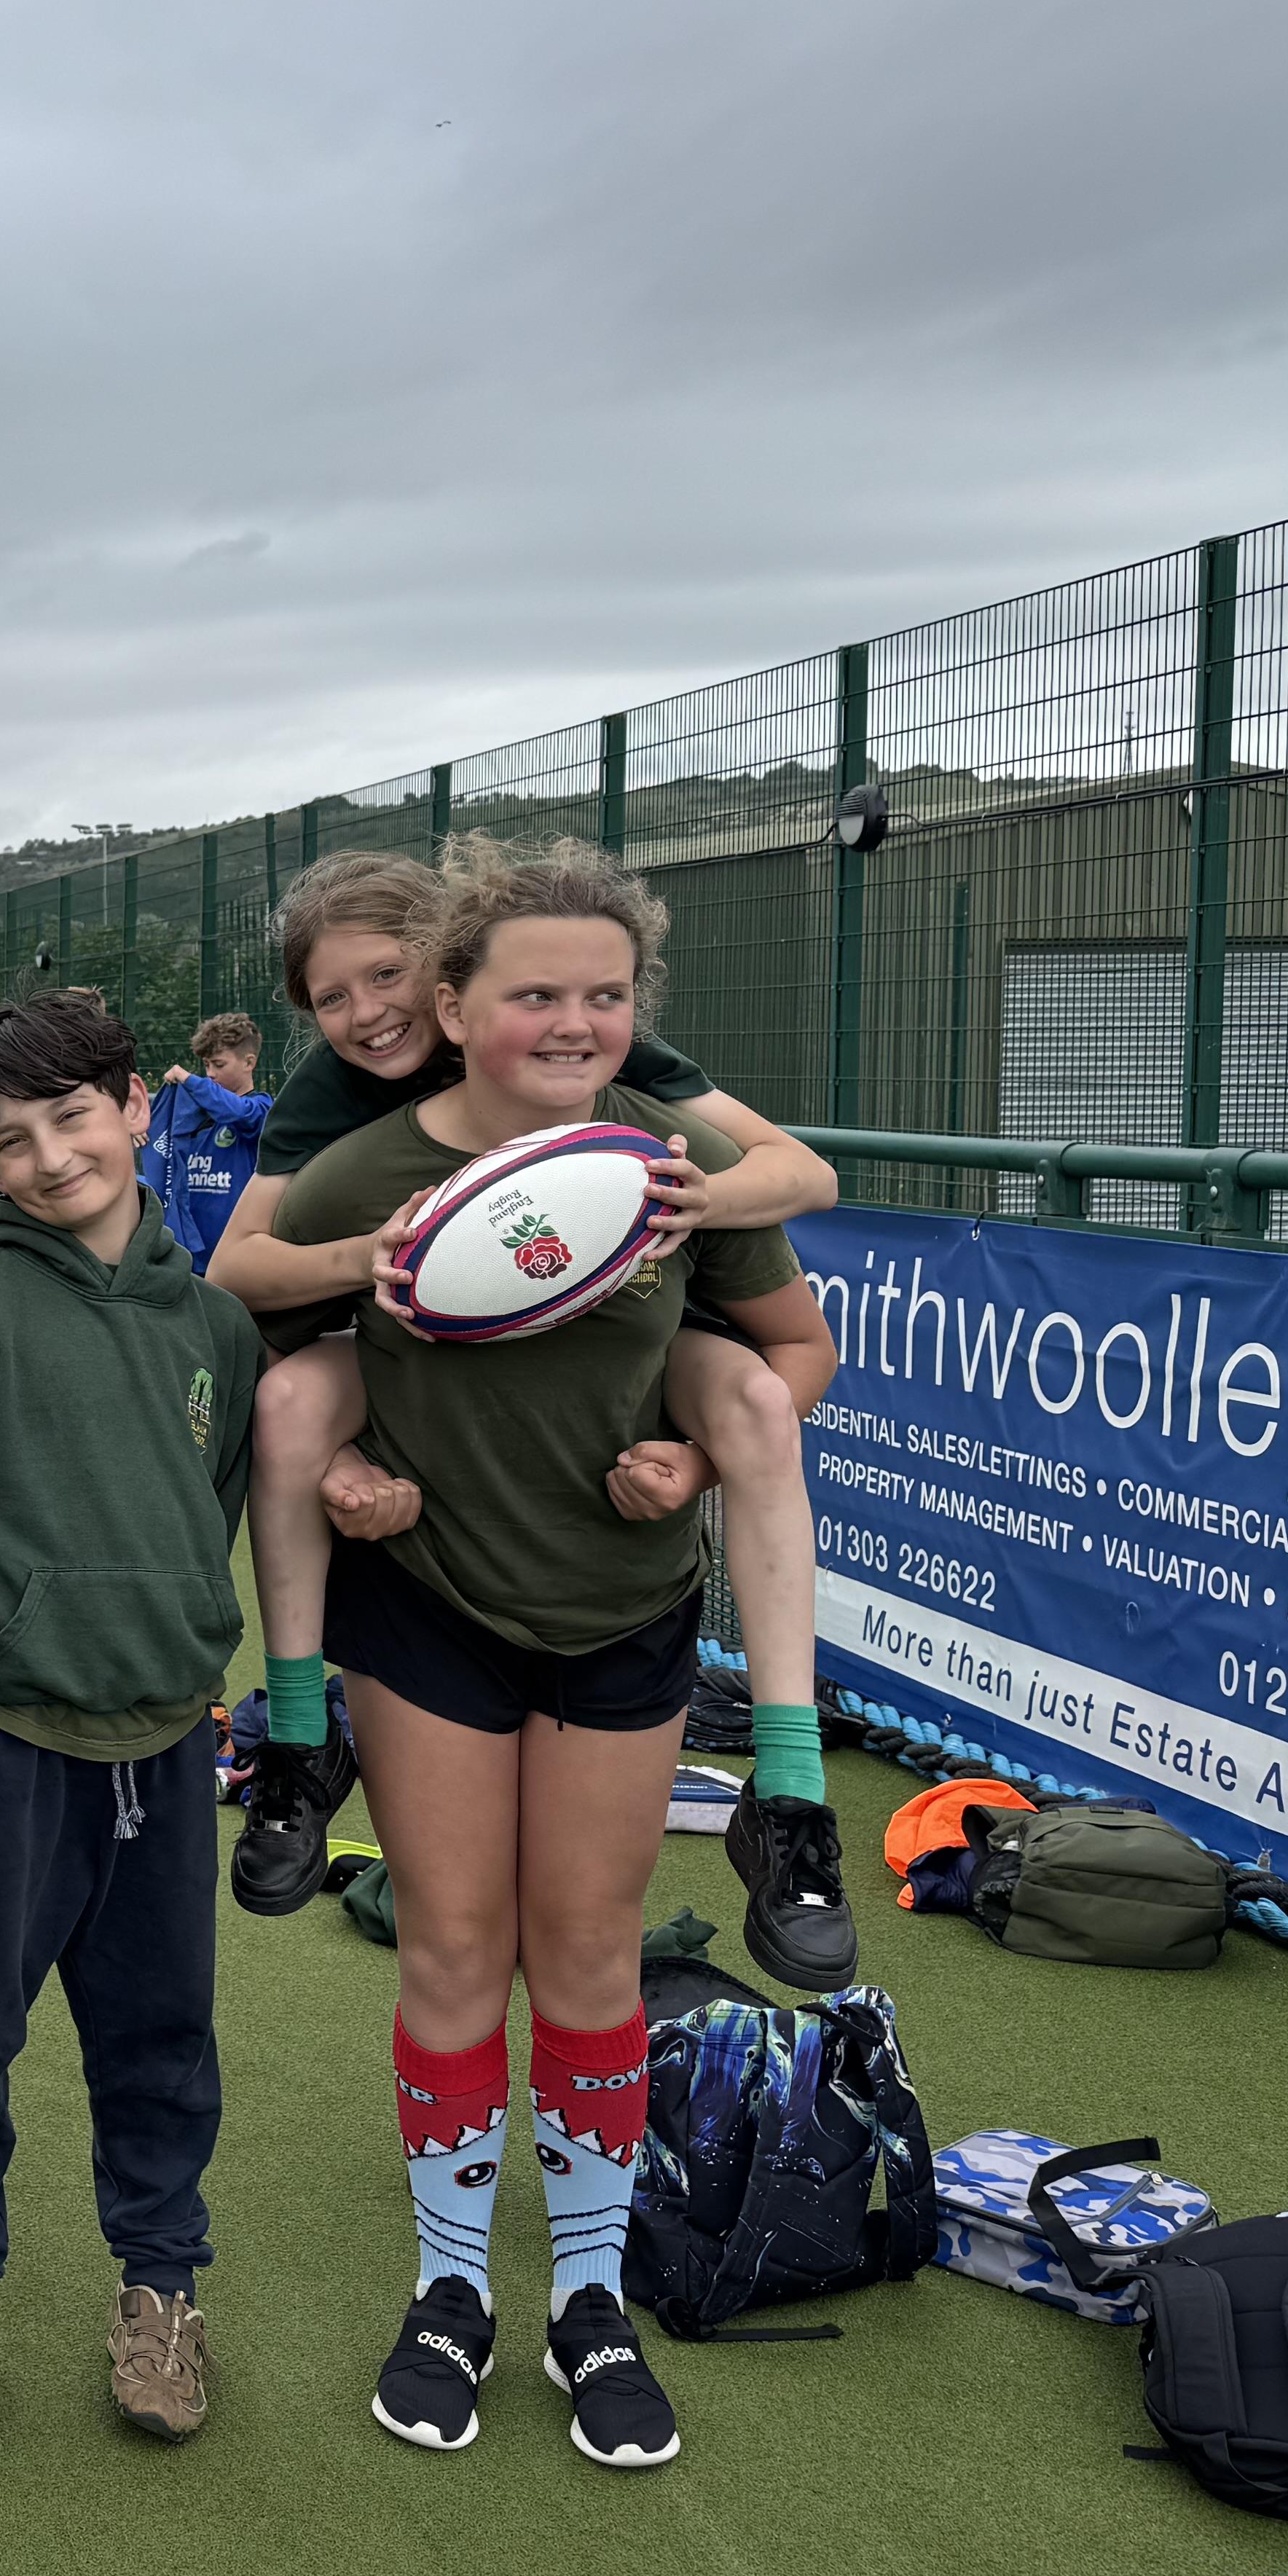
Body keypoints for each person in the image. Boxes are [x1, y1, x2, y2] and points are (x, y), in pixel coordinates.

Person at [269, 838, 835, 2470]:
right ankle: (450, 2292)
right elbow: (263, 1344)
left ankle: (588, 2301)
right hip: (429, 1612)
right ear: (454, 1008)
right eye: (534, 995)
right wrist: (341, 1463)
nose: (574, 1021)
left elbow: (797, 1353)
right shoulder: (365, 1172)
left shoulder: (678, 1162)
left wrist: (703, 1456)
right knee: (453, 1952)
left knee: (588, 1960)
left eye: (605, 992)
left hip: (622, 1613)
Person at [204, 852, 856, 1993]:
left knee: (755, 1397)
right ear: (466, 1003)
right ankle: (301, 1738)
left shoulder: (621, 1081)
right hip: (413, 1364)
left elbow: (803, 1181)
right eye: (330, 997)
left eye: (387, 977)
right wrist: (369, 1277)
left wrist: (706, 1201)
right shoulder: (338, 1115)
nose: (369, 1013)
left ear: (440, 975)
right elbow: (235, 1281)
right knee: (293, 1399)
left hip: (645, 1364)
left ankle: (791, 1789)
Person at [0, 990, 262, 2465]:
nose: (48, 1158)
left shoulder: (216, 1325)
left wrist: (167, 1648)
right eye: (10, 1140)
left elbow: (208, 1514)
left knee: (163, 2035)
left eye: (72, 1117)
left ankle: (161, 2288)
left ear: (136, 1105)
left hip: (160, 1738)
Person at [143, 1013, 272, 1273]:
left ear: (249, 1062)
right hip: (188, 1255)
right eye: (206, 1065)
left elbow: (239, 1112)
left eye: (219, 1065)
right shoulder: (191, 1116)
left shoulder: (262, 1109)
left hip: (236, 1260)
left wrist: (191, 1081)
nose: (210, 1074)